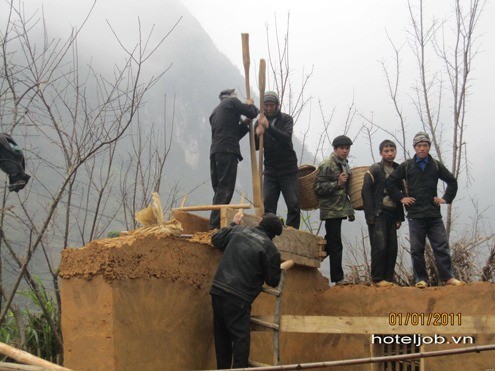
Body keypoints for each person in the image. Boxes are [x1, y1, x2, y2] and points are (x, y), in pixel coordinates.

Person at [385, 132, 464, 288]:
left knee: (441, 246)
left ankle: (448, 278)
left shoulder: (435, 165)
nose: (422, 148)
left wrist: (445, 198)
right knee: (417, 249)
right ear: (414, 147)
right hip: (415, 215)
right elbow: (390, 183)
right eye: (419, 146)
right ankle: (421, 279)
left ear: (429, 147)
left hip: (434, 214)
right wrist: (401, 198)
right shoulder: (407, 166)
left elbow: (452, 181)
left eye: (425, 146)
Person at [210, 212, 283, 369]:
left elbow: (215, 239)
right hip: (238, 299)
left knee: (221, 338)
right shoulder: (270, 249)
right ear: (274, 234)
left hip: (217, 290)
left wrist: (232, 224)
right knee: (240, 341)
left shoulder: (239, 230)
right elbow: (273, 281)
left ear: (261, 222)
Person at [209, 89, 259, 229]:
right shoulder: (232, 101)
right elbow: (253, 112)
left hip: (215, 152)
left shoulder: (214, 112)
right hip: (227, 151)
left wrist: (246, 123)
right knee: (225, 189)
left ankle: (216, 223)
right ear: (232, 96)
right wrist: (250, 104)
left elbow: (232, 134)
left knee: (219, 190)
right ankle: (214, 227)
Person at [361, 140, 404, 287]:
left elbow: (400, 194)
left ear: (396, 152)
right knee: (380, 245)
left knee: (392, 247)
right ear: (381, 153)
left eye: (392, 150)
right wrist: (370, 216)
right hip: (379, 212)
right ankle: (378, 279)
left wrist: (400, 217)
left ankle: (388, 278)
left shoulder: (398, 170)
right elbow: (365, 192)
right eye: (386, 151)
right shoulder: (375, 169)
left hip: (393, 212)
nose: (390, 153)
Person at [255, 91, 300, 229]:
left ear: (277, 105)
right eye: (266, 105)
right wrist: (257, 134)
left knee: (293, 204)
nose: (269, 108)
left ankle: (293, 235)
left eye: (271, 105)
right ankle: (269, 233)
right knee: (267, 205)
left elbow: (286, 138)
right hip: (270, 170)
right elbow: (257, 146)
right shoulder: (259, 122)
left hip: (288, 170)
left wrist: (269, 127)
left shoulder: (286, 119)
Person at [314, 135, 355, 285]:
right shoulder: (327, 164)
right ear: (335, 149)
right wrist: (336, 183)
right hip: (330, 210)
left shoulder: (345, 164)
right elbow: (318, 188)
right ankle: (338, 279)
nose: (345, 151)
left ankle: (313, 254)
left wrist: (349, 211)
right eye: (342, 148)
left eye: (347, 148)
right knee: (336, 243)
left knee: (332, 242)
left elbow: (346, 190)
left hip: (340, 209)